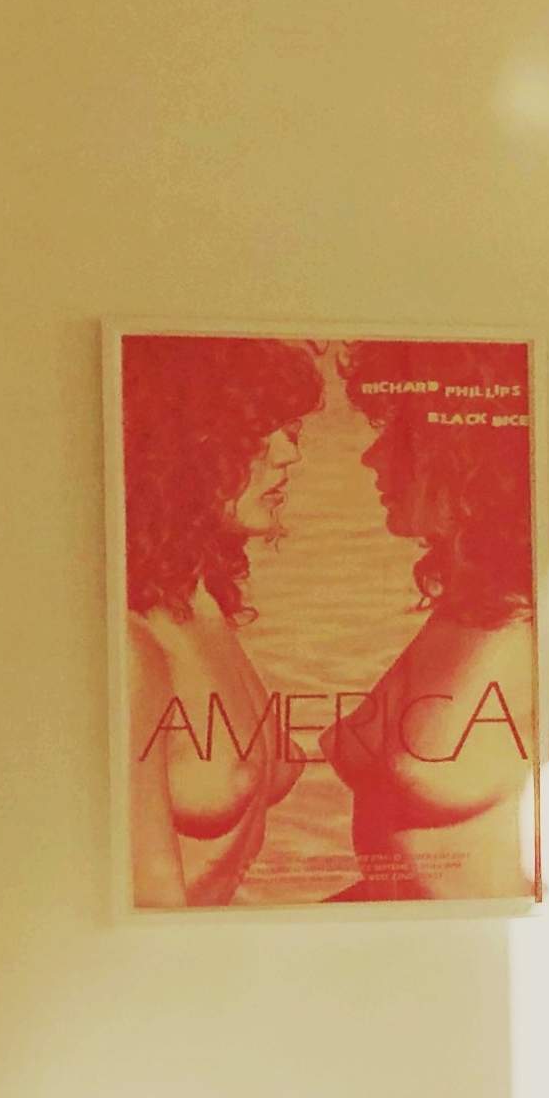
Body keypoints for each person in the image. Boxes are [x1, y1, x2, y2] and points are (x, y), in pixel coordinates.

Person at [324, 342, 540, 900]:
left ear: (468, 457)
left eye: (396, 436)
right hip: (399, 956)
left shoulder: (543, 624)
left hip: (483, 963)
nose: (371, 459)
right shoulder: (471, 605)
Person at [117, 335, 326, 906]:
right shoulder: (131, 644)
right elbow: (154, 906)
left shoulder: (199, 603)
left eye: (290, 430)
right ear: (182, 451)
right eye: (259, 434)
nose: (289, 454)